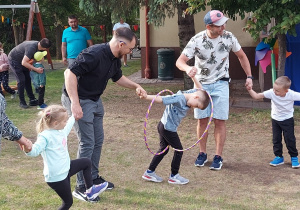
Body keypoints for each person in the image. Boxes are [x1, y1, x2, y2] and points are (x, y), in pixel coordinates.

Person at [62, 27, 146, 201]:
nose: (130, 52)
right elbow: (69, 73)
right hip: (80, 99)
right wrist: (75, 104)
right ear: (121, 44)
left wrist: (136, 86)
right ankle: (81, 187)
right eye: (130, 49)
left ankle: (92, 177)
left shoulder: (115, 58)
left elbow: (117, 78)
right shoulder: (94, 54)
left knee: (97, 141)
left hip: (94, 100)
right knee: (87, 142)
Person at [176, 10, 253, 170]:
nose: (223, 26)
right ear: (209, 26)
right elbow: (180, 61)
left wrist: (249, 76)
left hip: (221, 83)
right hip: (201, 86)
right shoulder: (197, 40)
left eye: (224, 23)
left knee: (219, 120)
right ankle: (202, 153)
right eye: (219, 25)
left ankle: (218, 156)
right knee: (202, 120)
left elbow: (242, 56)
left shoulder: (229, 37)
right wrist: (188, 68)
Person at [23, 105, 109, 209]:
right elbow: (35, 151)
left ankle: (90, 192)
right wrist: (28, 149)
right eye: (64, 121)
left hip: (66, 169)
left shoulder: (60, 132)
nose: (66, 123)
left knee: (86, 162)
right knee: (67, 203)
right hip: (56, 177)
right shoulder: (45, 136)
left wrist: (74, 116)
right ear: (55, 123)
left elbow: (68, 125)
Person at [141, 76, 210, 185]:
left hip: (163, 125)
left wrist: (193, 77)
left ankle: (149, 172)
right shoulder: (179, 98)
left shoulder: (193, 93)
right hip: (168, 128)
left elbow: (202, 90)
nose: (193, 108)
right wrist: (146, 97)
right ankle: (174, 176)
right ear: (196, 97)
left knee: (164, 149)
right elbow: (162, 99)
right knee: (179, 150)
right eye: (196, 105)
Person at [247, 76, 300, 168]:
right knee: (276, 139)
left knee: (290, 139)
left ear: (286, 91)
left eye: (277, 91)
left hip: (287, 119)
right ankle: (279, 157)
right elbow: (256, 96)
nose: (275, 92)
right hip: (275, 119)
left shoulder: (292, 94)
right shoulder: (271, 92)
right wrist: (249, 89)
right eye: (274, 89)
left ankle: (294, 157)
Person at [8, 38, 52, 109]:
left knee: (28, 79)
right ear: (45, 48)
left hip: (22, 60)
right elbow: (23, 62)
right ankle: (22, 102)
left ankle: (32, 100)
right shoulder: (32, 48)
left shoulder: (38, 45)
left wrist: (32, 66)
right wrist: (36, 69)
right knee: (21, 80)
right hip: (14, 60)